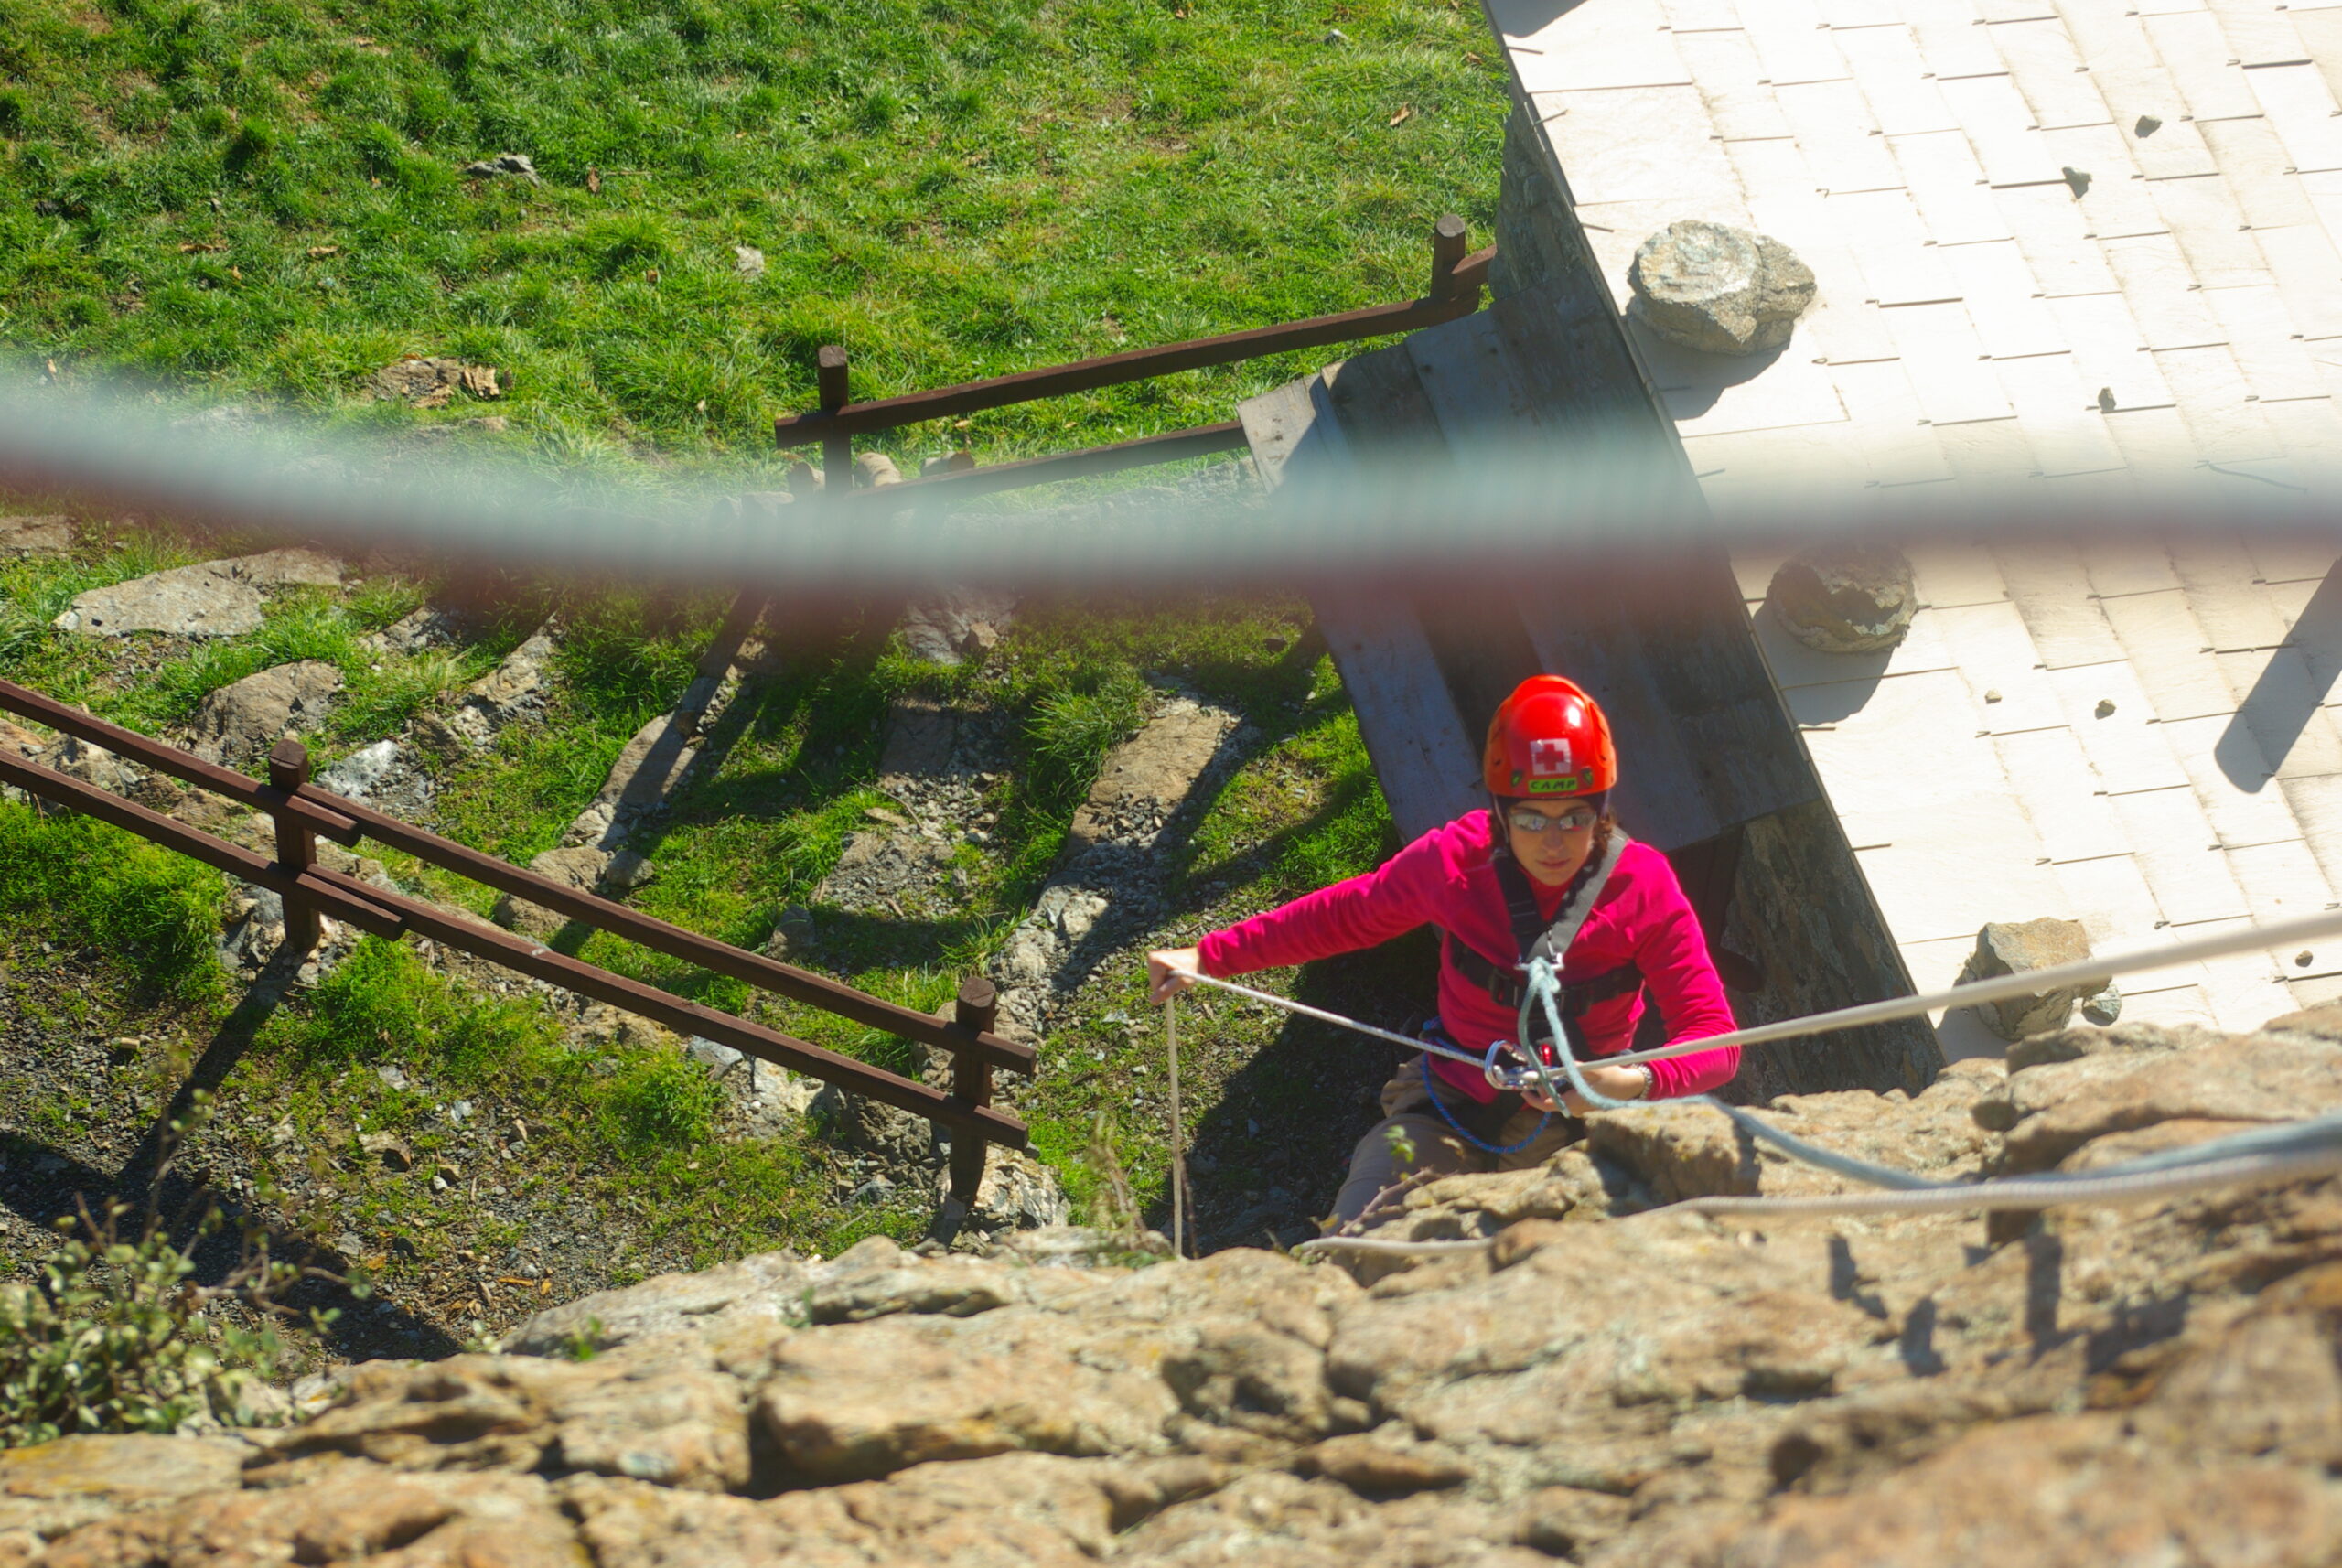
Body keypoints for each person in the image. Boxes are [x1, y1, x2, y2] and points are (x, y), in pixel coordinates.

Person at [1147, 674, 1740, 1223]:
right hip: (1451, 1106)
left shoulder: (1642, 886)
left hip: (1583, 1126)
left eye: (1575, 816)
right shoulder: (1455, 863)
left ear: (1603, 809)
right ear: (1501, 811)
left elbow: (1715, 1037)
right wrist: (1211, 957)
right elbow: (1348, 915)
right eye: (1531, 818)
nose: (1555, 842)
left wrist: (1629, 1081)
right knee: (1362, 1237)